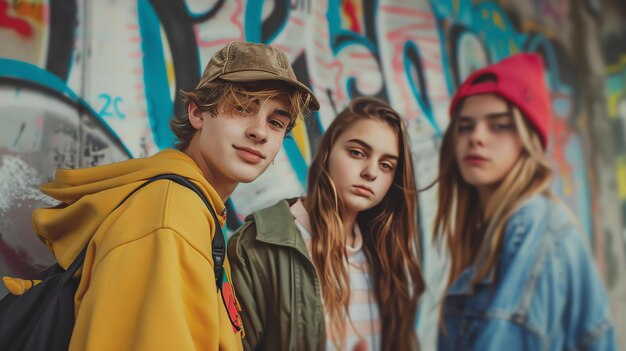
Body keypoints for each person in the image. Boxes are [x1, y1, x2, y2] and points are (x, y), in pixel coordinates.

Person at [12, 41, 319, 350]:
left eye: (275, 122)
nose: (260, 132)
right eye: (242, 107)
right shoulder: (170, 214)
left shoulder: (195, 207)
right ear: (198, 113)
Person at [434, 53, 616, 350]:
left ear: (527, 139)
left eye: (499, 125)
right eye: (465, 126)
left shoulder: (533, 226)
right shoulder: (496, 229)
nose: (476, 137)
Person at [228, 97, 425, 351]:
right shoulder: (258, 245)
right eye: (357, 152)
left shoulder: (385, 256)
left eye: (386, 165)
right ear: (328, 151)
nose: (371, 172)